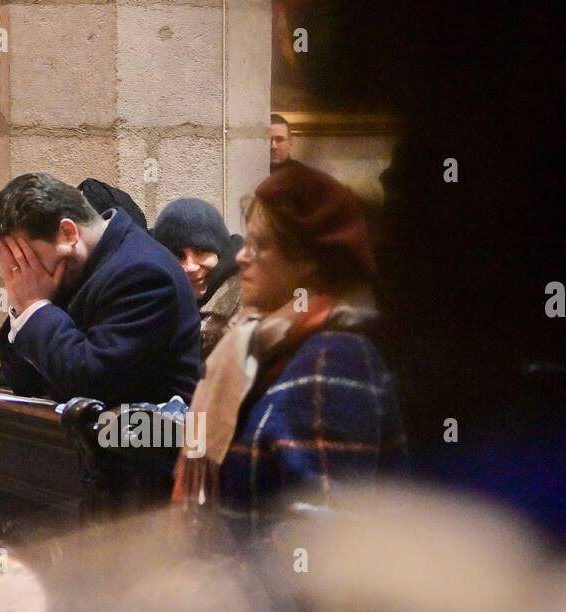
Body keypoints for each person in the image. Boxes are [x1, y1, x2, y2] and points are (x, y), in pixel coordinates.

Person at [173, 162, 407, 530]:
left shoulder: (334, 359)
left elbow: (322, 541)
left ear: (309, 263)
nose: (241, 257)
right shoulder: (270, 342)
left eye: (260, 246)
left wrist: (218, 579)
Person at [0, 172, 200, 406]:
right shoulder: (69, 270)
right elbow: (22, 381)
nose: (23, 274)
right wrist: (25, 311)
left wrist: (34, 308)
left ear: (68, 233)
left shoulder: (144, 272)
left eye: (28, 258)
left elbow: (94, 385)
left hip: (151, 435)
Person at [152, 197, 249, 363]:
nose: (191, 267)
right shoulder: (152, 300)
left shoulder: (247, 305)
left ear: (220, 253)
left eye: (200, 251)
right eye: (179, 255)